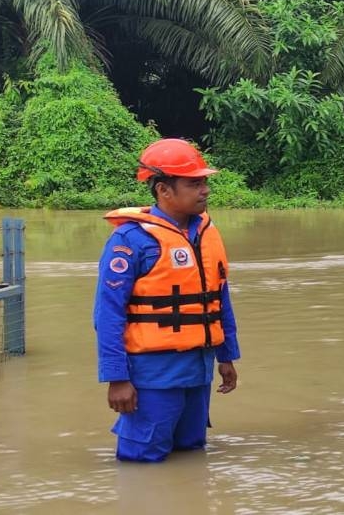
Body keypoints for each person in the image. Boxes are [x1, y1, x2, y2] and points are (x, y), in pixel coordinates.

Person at [93, 138, 240, 462]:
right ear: (163, 190)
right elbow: (108, 314)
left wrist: (226, 356)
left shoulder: (205, 233)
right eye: (194, 183)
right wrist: (117, 378)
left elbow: (219, 298)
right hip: (153, 375)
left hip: (198, 372)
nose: (205, 190)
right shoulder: (130, 240)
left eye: (204, 182)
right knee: (141, 461)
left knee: (191, 452)